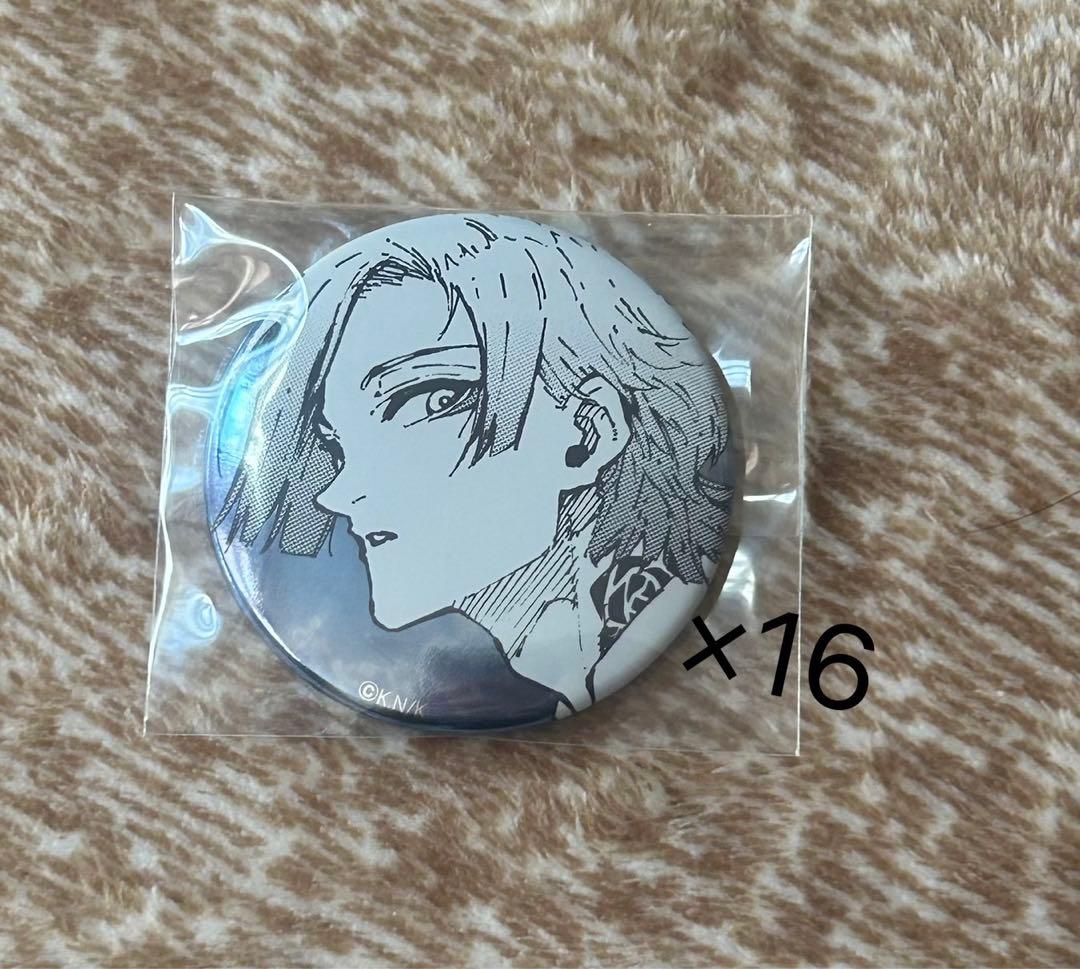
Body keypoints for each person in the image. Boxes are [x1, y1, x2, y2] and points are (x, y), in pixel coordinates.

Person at [217, 214, 733, 715]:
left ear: (587, 431)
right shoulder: (566, 660)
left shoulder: (644, 643)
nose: (337, 493)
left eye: (432, 400)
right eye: (335, 440)